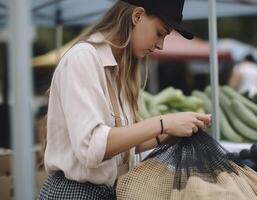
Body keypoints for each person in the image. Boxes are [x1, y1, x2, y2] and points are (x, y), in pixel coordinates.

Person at [38, 0, 211, 199]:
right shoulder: (83, 58)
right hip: (74, 193)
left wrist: (170, 132)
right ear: (137, 16)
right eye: (160, 33)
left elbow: (121, 146)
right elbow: (92, 147)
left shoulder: (120, 70)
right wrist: (163, 123)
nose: (161, 45)